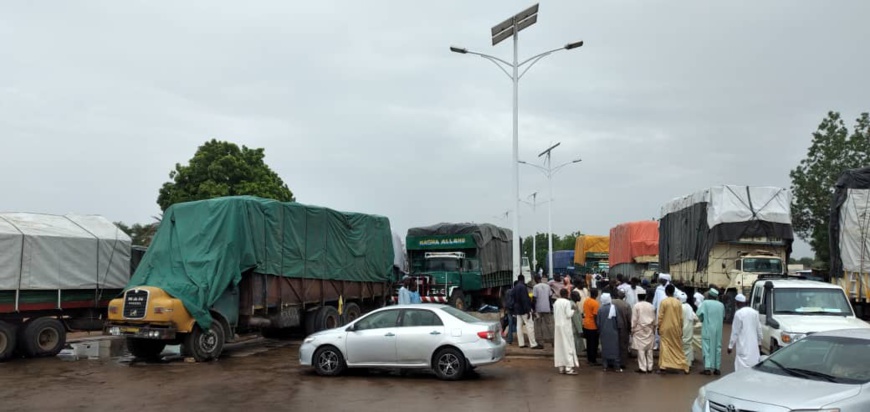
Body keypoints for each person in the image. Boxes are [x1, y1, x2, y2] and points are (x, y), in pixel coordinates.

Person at [657, 284, 688, 374]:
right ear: (673, 292)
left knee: (665, 346)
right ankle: (684, 365)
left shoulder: (664, 302)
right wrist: (681, 328)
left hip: (665, 328)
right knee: (677, 347)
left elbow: (660, 316)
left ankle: (663, 366)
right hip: (676, 327)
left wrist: (658, 327)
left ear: (666, 292)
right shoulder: (678, 303)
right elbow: (681, 317)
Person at [728, 293, 762, 372]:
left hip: (743, 345)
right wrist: (759, 343)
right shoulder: (755, 312)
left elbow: (735, 332)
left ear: (738, 303)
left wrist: (730, 346)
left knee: (741, 366)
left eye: (736, 303)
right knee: (753, 365)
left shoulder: (738, 313)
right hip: (754, 346)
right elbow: (759, 329)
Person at [696, 288, 725, 375]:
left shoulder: (705, 303)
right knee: (717, 348)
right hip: (718, 330)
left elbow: (699, 314)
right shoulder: (721, 305)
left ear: (709, 295)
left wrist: (702, 320)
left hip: (707, 329)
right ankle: (717, 368)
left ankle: (707, 368)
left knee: (707, 348)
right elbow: (723, 317)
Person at [511, 274, 542, 349]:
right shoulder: (523, 287)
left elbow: (513, 299)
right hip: (524, 310)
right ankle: (533, 344)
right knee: (530, 326)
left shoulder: (514, 288)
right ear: (523, 279)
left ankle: (521, 343)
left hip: (518, 310)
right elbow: (525, 300)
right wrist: (528, 310)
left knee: (519, 327)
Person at [553, 289, 579, 375]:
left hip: (557, 326)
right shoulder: (567, 302)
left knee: (559, 346)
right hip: (565, 327)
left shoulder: (556, 302)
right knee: (568, 346)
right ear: (567, 294)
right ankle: (569, 368)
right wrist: (573, 310)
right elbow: (568, 314)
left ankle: (561, 367)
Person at [632, 290, 656, 373]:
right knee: (650, 349)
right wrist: (654, 329)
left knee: (641, 350)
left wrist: (632, 329)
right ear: (645, 296)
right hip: (649, 329)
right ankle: (650, 367)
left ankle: (642, 368)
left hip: (639, 330)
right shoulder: (651, 306)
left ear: (638, 297)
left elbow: (634, 319)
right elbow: (654, 320)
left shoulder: (636, 306)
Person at [597, 293, 621, 372]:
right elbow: (618, 321)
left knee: (605, 348)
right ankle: (616, 366)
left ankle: (605, 366)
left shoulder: (600, 309)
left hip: (604, 332)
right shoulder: (613, 308)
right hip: (614, 332)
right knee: (615, 349)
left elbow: (598, 322)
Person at [612, 289, 633, 370]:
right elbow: (629, 319)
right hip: (624, 329)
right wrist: (631, 329)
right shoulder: (626, 305)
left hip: (612, 327)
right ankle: (622, 363)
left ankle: (613, 361)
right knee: (623, 346)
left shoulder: (611, 302)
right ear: (624, 296)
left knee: (613, 345)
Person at [532, 274, 553, 347]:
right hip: (547, 308)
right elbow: (550, 298)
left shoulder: (535, 287)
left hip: (538, 309)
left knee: (538, 326)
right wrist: (550, 307)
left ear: (535, 279)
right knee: (549, 325)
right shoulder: (547, 286)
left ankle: (540, 343)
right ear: (540, 279)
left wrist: (533, 310)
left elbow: (534, 299)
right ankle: (553, 341)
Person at [678, 292, 697, 370]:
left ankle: (682, 365)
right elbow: (695, 318)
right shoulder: (689, 307)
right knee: (688, 347)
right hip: (689, 330)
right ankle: (688, 364)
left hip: (682, 329)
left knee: (681, 347)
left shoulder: (679, 307)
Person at [582, 288, 601, 365]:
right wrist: (598, 326)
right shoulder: (595, 303)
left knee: (589, 343)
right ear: (596, 294)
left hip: (586, 324)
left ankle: (589, 359)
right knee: (594, 344)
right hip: (593, 326)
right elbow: (595, 316)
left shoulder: (586, 301)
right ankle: (593, 360)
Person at [570, 290, 585, 357]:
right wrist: (580, 330)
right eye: (578, 296)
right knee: (575, 345)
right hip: (574, 329)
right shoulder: (573, 306)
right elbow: (575, 319)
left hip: (572, 328)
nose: (579, 297)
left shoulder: (572, 304)